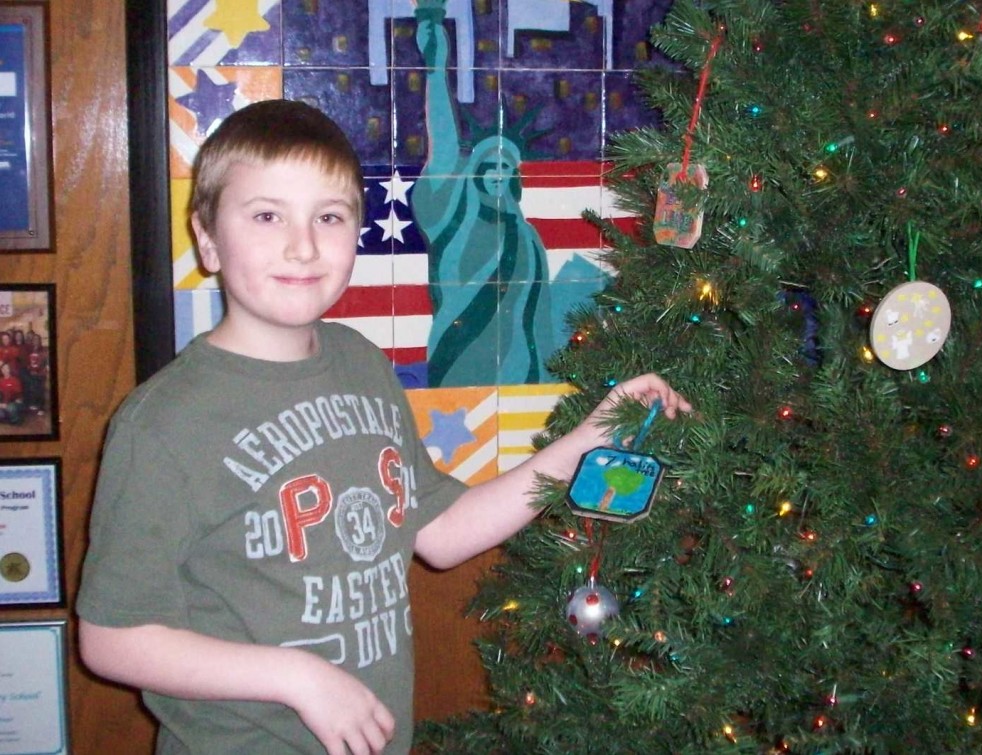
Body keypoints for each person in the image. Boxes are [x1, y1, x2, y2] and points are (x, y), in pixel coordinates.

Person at [76, 99, 690, 755]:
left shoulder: (363, 365)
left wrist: (586, 440)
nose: (303, 244)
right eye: (265, 215)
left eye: (329, 217)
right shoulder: (163, 423)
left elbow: (444, 532)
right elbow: (112, 637)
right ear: (206, 237)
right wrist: (297, 678)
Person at [411, 0, 556, 387]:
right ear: (473, 171)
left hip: (522, 375)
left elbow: (539, 318)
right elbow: (442, 140)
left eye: (506, 169)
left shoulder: (527, 238)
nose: (497, 175)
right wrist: (436, 65)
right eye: (489, 166)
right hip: (458, 370)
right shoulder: (448, 214)